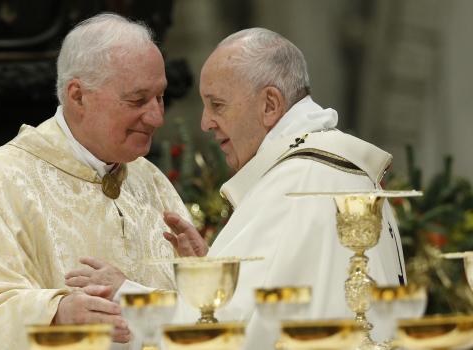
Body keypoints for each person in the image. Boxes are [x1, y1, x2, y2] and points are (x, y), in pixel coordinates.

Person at [0, 13, 190, 350]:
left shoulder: (152, 181)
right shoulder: (1, 180)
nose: (156, 117)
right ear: (77, 96)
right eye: (137, 100)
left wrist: (199, 270)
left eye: (159, 97)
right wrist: (56, 315)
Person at [162, 28, 408, 345]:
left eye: (218, 105)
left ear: (270, 105)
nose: (205, 122)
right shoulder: (341, 168)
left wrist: (125, 299)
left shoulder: (295, 183)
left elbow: (224, 328)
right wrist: (212, 274)